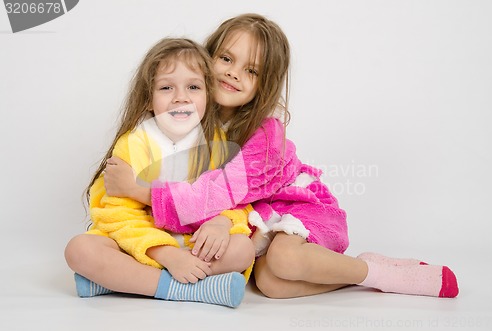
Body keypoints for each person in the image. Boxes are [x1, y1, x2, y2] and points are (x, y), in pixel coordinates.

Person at [104, 14, 459, 299]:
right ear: (206, 58)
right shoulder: (191, 112)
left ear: (266, 83)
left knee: (286, 258)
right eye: (226, 58)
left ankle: (377, 273)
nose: (233, 72)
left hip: (297, 210)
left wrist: (139, 191)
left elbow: (214, 193)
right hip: (252, 223)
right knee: (272, 285)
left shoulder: (265, 136)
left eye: (251, 70)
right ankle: (346, 276)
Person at [64, 38, 255, 308]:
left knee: (242, 249)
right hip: (139, 246)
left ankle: (125, 281)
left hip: (192, 246)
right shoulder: (134, 144)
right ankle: (186, 289)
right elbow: (117, 216)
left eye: (193, 87)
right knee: (80, 250)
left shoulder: (218, 144)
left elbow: (236, 200)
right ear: (148, 99)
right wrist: (167, 255)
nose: (181, 97)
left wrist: (221, 223)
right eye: (166, 87)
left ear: (208, 95)